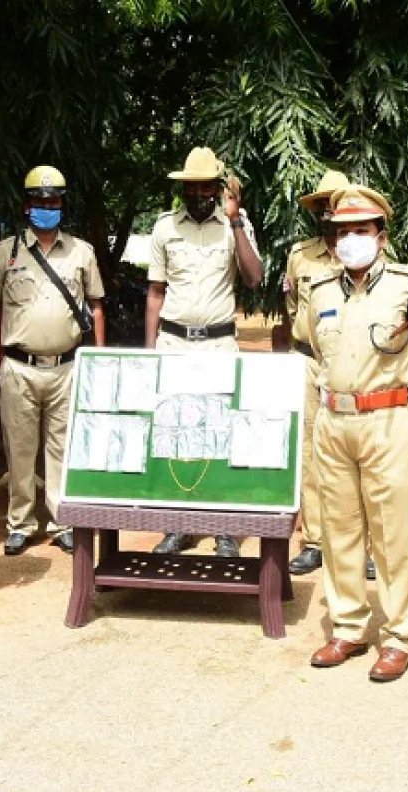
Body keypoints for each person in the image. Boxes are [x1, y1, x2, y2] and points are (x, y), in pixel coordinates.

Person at [299, 185, 408, 683]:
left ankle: (399, 637)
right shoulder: (319, 290)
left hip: (390, 420)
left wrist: (403, 403)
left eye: (361, 230)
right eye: (341, 231)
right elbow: (317, 350)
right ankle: (349, 627)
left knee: (392, 534)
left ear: (382, 237)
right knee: (339, 530)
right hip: (334, 422)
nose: (350, 240)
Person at [145, 147, 263, 558]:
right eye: (192, 187)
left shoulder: (235, 224)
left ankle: (224, 529)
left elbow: (254, 277)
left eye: (206, 186)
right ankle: (177, 526)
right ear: (183, 189)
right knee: (175, 436)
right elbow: (155, 293)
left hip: (218, 344)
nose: (199, 193)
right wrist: (150, 355)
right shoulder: (165, 228)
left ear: (218, 187)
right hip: (174, 343)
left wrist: (235, 220)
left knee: (219, 436)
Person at [0, 166, 105, 557]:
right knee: (19, 450)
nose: (47, 207)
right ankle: (20, 523)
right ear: (27, 206)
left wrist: (97, 359)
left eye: (53, 201)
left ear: (62, 205)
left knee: (62, 448)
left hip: (67, 367)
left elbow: (96, 307)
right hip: (18, 367)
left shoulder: (81, 252)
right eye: (40, 201)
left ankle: (62, 522)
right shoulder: (4, 254)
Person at [282, 170, 373, 581]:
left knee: (361, 452)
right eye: (322, 207)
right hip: (308, 361)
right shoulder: (300, 256)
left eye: (333, 205)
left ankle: (363, 546)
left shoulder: (370, 252)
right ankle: (316, 540)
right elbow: (293, 311)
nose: (328, 214)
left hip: (356, 364)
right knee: (310, 452)